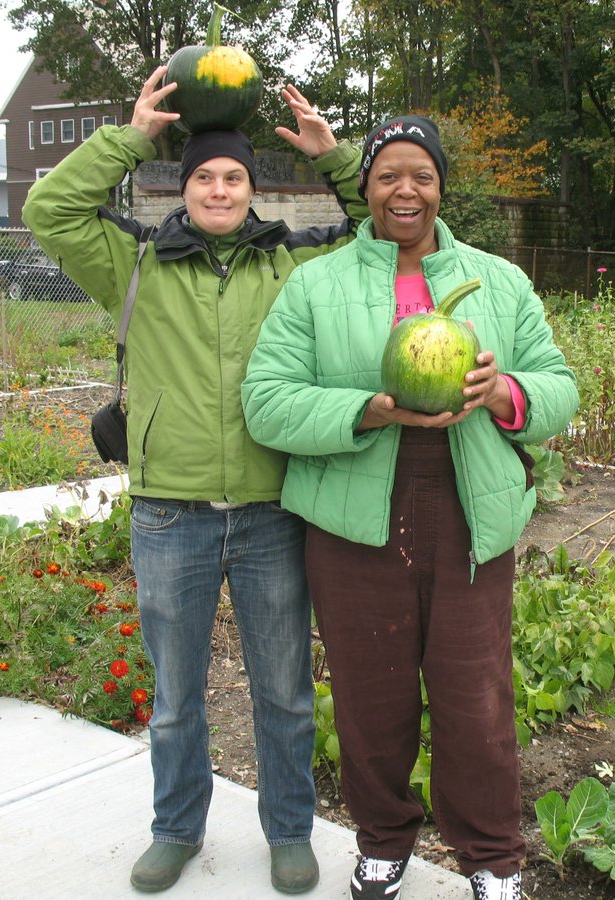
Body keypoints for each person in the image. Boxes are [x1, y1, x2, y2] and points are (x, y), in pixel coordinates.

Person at [22, 66, 368, 895]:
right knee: (176, 696)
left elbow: (388, 231)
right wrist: (133, 137)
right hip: (169, 513)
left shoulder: (296, 267)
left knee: (282, 692)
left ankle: (289, 831)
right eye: (205, 177)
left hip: (270, 512)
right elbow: (47, 211)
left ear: (255, 189)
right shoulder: (133, 259)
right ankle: (177, 828)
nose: (219, 189)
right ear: (182, 189)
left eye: (234, 177)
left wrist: (335, 159)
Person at [241, 115, 579, 900]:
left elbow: (560, 385)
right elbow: (267, 402)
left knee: (476, 698)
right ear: (366, 188)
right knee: (371, 694)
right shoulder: (316, 283)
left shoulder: (499, 279)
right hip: (357, 510)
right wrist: (369, 410)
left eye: (421, 175)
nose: (405, 189)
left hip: (468, 509)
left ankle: (493, 860)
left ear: (440, 188)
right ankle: (384, 844)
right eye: (389, 173)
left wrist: (502, 391)